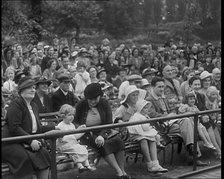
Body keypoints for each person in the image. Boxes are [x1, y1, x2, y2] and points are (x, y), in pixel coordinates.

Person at [2, 76, 57, 179]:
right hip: (9, 141)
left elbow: (37, 129)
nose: (33, 90)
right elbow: (14, 128)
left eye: (33, 88)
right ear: (22, 90)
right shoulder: (16, 105)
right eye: (30, 87)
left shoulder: (34, 106)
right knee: (23, 157)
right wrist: (31, 141)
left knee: (43, 153)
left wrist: (56, 127)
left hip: (22, 140)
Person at [73, 83, 131, 179]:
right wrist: (81, 128)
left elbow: (108, 122)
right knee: (103, 144)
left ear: (100, 96)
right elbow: (74, 121)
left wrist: (102, 135)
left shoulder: (104, 103)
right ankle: (118, 172)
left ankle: (122, 170)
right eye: (90, 99)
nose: (92, 101)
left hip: (104, 130)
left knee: (118, 141)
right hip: (87, 133)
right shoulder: (81, 104)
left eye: (95, 99)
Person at [127, 99, 168, 173]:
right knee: (144, 140)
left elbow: (147, 127)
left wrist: (150, 130)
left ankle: (156, 164)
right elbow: (137, 129)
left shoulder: (145, 116)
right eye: (144, 108)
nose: (146, 110)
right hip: (136, 134)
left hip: (144, 133)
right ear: (140, 108)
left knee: (152, 139)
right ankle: (149, 164)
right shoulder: (136, 116)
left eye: (147, 108)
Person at [56, 104, 96, 173]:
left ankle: (87, 165)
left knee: (82, 149)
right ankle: (80, 166)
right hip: (64, 145)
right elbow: (61, 138)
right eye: (69, 115)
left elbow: (75, 136)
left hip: (72, 144)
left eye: (72, 115)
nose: (72, 117)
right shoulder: (60, 126)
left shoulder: (72, 125)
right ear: (63, 116)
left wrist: (81, 130)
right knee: (75, 151)